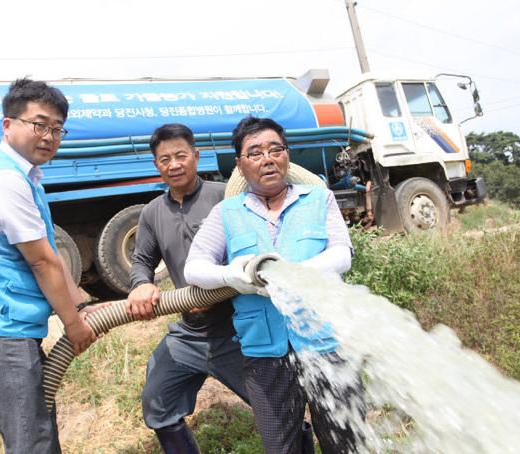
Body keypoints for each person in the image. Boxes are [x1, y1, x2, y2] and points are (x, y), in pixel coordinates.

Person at [0, 78, 106, 453]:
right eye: (39, 124)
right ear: (7, 125)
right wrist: (73, 325)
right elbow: (41, 262)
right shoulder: (4, 179)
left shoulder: (25, 177)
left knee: (37, 433)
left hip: (4, 328)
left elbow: (49, 252)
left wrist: (80, 306)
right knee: (32, 442)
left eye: (57, 129)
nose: (49, 136)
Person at [184, 116, 365, 453]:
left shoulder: (318, 199)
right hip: (265, 355)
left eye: (275, 149)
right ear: (239, 165)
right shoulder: (227, 212)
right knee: (280, 447)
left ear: (287, 154)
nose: (267, 159)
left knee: (346, 444)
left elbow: (342, 255)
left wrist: (292, 272)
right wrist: (231, 276)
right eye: (254, 153)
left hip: (327, 345)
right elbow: (194, 268)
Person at [126, 123, 249, 453]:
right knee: (158, 403)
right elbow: (142, 261)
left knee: (277, 407)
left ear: (196, 156)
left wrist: (217, 287)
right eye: (164, 159)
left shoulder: (226, 197)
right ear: (156, 165)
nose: (174, 164)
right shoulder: (152, 212)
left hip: (238, 329)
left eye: (181, 155)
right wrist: (140, 285)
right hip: (189, 333)